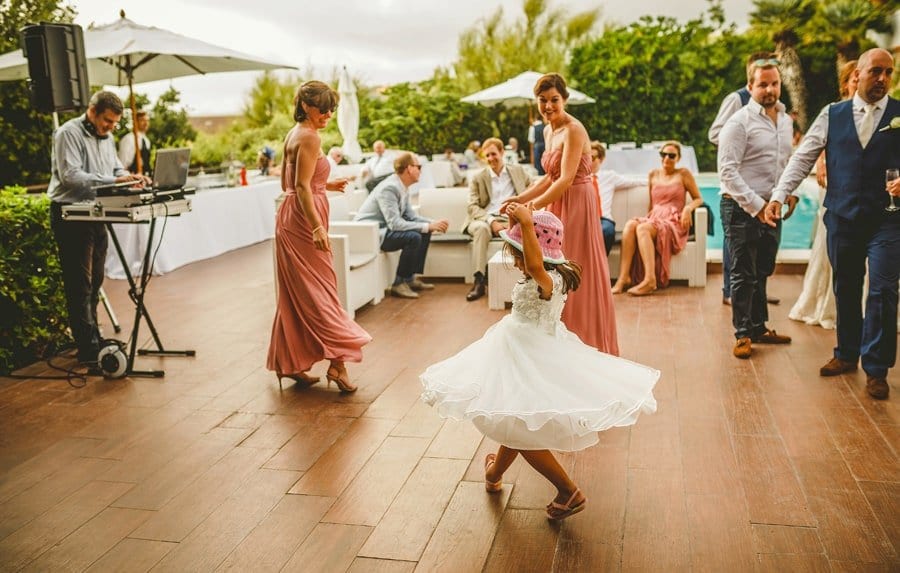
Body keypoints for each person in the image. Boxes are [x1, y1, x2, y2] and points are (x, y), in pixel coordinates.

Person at [421, 205, 659, 521]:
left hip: (529, 354)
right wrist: (517, 221)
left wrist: (526, 226)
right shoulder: (547, 274)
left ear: (536, 251)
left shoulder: (548, 279)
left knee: (520, 426)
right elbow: (532, 262)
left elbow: (534, 264)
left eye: (518, 253)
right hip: (515, 348)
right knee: (516, 418)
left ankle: (568, 490)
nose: (517, 260)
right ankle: (493, 474)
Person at [766, 48, 899, 400]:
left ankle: (876, 369)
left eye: (889, 73)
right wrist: (779, 195)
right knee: (846, 288)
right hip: (842, 216)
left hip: (887, 219)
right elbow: (803, 157)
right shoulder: (832, 114)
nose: (883, 79)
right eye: (876, 72)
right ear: (859, 74)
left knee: (883, 291)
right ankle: (846, 353)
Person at [502, 73, 618, 355]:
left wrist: (532, 206)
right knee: (550, 267)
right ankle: (554, 336)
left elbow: (566, 178)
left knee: (572, 264)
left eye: (554, 100)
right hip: (556, 201)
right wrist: (521, 197)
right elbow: (548, 176)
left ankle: (585, 342)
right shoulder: (546, 130)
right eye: (543, 100)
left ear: (564, 100)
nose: (548, 106)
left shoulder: (574, 129)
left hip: (577, 200)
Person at [267, 80, 370, 393]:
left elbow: (299, 181)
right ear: (306, 106)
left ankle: (291, 363)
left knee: (298, 294)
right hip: (302, 221)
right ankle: (338, 364)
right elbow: (300, 186)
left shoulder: (296, 132)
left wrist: (329, 185)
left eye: (332, 109)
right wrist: (316, 227)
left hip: (290, 215)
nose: (327, 114)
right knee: (321, 293)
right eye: (322, 109)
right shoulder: (309, 137)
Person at [48, 91, 148, 365]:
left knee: (96, 281)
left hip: (94, 212)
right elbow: (70, 176)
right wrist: (111, 181)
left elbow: (114, 169)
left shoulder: (109, 137)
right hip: (70, 215)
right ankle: (87, 347)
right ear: (92, 111)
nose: (110, 127)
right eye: (107, 121)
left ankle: (92, 337)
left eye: (114, 123)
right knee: (79, 283)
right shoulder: (67, 133)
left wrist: (126, 178)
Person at [718, 57, 794, 359]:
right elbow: (727, 173)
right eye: (762, 84)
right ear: (750, 87)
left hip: (771, 208)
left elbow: (785, 165)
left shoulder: (786, 121)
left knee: (763, 269)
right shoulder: (738, 123)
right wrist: (758, 206)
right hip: (740, 207)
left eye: (774, 83)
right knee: (742, 273)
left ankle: (759, 326)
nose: (770, 89)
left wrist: (788, 193)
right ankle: (742, 334)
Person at [788, 60, 858, 331]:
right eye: (854, 77)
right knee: (828, 242)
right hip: (833, 185)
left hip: (866, 193)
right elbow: (816, 145)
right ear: (846, 83)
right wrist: (821, 164)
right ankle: (825, 303)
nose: (858, 81)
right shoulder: (833, 112)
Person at [610, 141, 702, 296]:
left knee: (643, 228)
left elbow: (698, 199)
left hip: (673, 221)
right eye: (663, 154)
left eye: (671, 156)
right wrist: (649, 218)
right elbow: (652, 205)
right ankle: (623, 278)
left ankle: (650, 280)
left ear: (678, 158)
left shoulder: (684, 174)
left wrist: (687, 208)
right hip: (655, 216)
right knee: (631, 225)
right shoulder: (653, 174)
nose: (667, 158)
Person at [355, 152, 450, 299]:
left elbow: (410, 216)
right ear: (408, 168)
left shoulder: (402, 186)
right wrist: (427, 226)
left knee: (424, 231)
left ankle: (409, 279)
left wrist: (432, 223)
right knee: (414, 237)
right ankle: (398, 283)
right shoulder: (389, 188)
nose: (420, 170)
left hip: (385, 229)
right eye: (418, 166)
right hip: (370, 233)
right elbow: (395, 223)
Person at [462, 137, 534, 301]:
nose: (490, 159)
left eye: (493, 154)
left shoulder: (518, 171)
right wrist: (491, 221)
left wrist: (526, 205)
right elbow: (472, 206)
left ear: (502, 152)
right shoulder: (478, 177)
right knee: (481, 229)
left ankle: (529, 277)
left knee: (526, 227)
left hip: (510, 217)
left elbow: (534, 187)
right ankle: (479, 281)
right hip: (484, 219)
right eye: (487, 156)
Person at [590, 141, 643, 256]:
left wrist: (656, 182)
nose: (589, 161)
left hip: (604, 219)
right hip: (586, 219)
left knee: (607, 231)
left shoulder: (609, 176)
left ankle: (601, 265)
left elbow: (634, 181)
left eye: (592, 157)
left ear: (601, 159)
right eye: (586, 157)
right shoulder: (580, 179)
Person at [117, 109, 151, 175]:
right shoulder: (128, 139)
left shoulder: (147, 141)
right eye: (142, 120)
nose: (146, 123)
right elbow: (122, 164)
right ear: (135, 122)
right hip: (130, 178)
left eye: (147, 120)